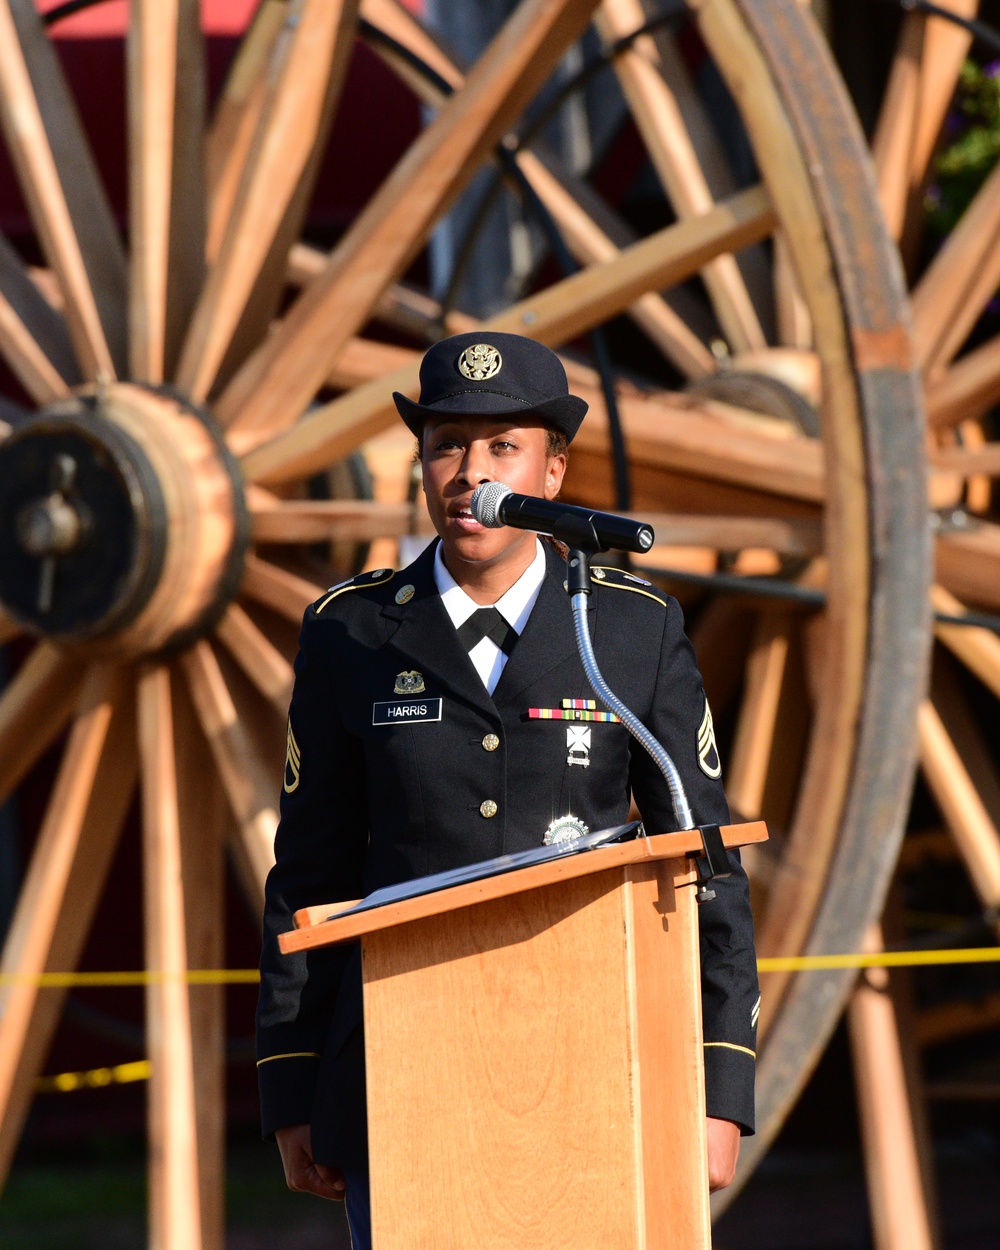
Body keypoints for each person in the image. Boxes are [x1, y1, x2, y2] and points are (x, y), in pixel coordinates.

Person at [256, 332, 759, 1248]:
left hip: (604, 1063)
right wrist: (291, 1085)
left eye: (500, 448)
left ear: (552, 471)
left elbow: (708, 870)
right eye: (445, 444)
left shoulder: (631, 629)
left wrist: (719, 1085)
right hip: (405, 1074)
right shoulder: (352, 631)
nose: (467, 472)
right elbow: (309, 874)